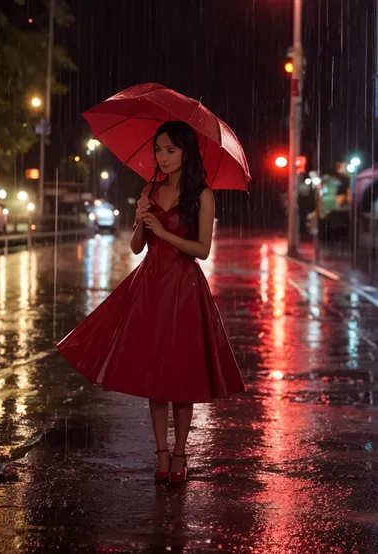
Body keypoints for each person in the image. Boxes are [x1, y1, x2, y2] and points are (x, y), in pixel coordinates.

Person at [57, 120, 245, 485]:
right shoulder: (149, 189)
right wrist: (141, 220)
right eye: (158, 150)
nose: (162, 157)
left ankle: (180, 453)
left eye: (170, 150)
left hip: (184, 287)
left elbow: (202, 250)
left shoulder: (203, 196)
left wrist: (165, 232)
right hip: (150, 286)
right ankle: (161, 454)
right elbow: (136, 247)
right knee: (155, 373)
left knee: (180, 376)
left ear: (186, 153)